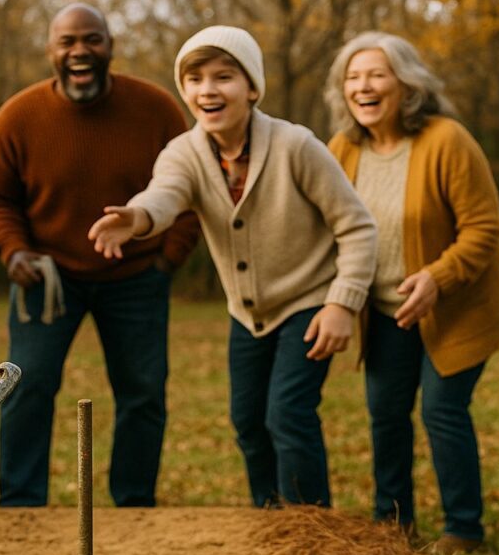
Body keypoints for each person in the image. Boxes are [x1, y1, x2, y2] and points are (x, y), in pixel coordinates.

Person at [89, 26, 377, 508]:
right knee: (247, 420)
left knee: (287, 413)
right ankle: (270, 519)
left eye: (224, 76)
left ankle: (309, 529)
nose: (208, 89)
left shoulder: (296, 146)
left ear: (252, 88)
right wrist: (137, 217)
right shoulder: (186, 153)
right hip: (247, 313)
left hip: (309, 302)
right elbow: (165, 194)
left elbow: (357, 227)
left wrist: (342, 305)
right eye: (196, 79)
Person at [0, 3, 199, 507]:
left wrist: (168, 260)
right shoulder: (17, 115)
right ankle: (20, 505)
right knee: (25, 386)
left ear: (110, 45)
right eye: (68, 41)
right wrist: (13, 252)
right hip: (47, 277)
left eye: (92, 40)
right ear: (51, 50)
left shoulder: (157, 109)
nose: (80, 51)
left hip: (138, 275)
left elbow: (191, 187)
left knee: (143, 391)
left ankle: (134, 502)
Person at [323, 31, 499, 554]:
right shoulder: (342, 149)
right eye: (353, 77)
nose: (363, 86)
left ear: (406, 84)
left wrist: (437, 277)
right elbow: (324, 226)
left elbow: (484, 228)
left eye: (376, 74)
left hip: (458, 304)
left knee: (441, 409)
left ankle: (464, 529)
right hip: (386, 312)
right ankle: (393, 524)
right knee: (386, 413)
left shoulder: (447, 140)